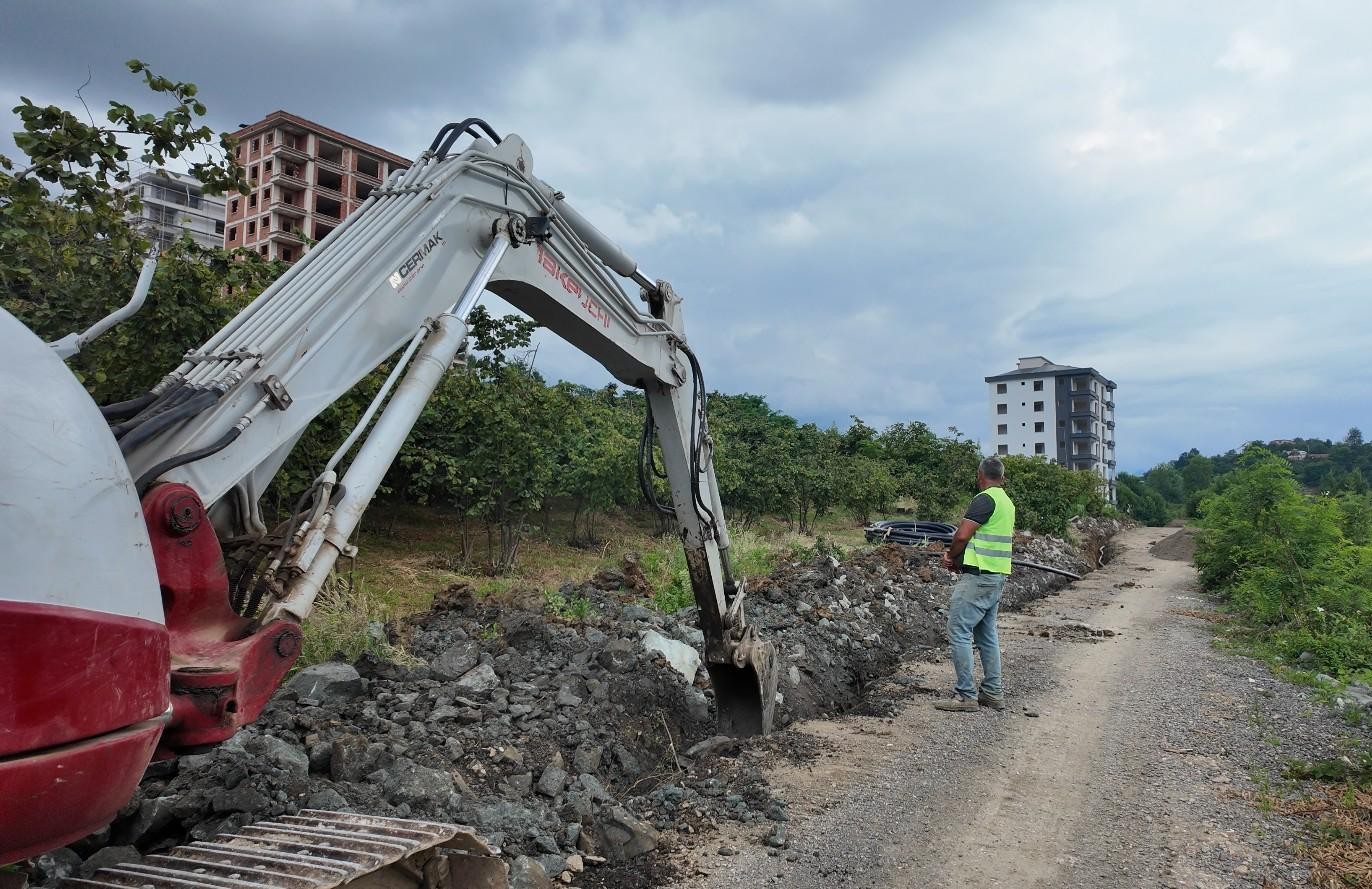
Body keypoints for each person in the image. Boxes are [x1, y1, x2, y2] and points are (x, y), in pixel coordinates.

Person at [934, 456, 1015, 712]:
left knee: (958, 629)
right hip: (996, 576)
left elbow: (962, 534)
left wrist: (951, 555)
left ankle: (966, 695)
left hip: (979, 577)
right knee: (986, 635)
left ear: (980, 475)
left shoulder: (985, 499)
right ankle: (992, 692)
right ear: (1002, 477)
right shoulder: (1007, 502)